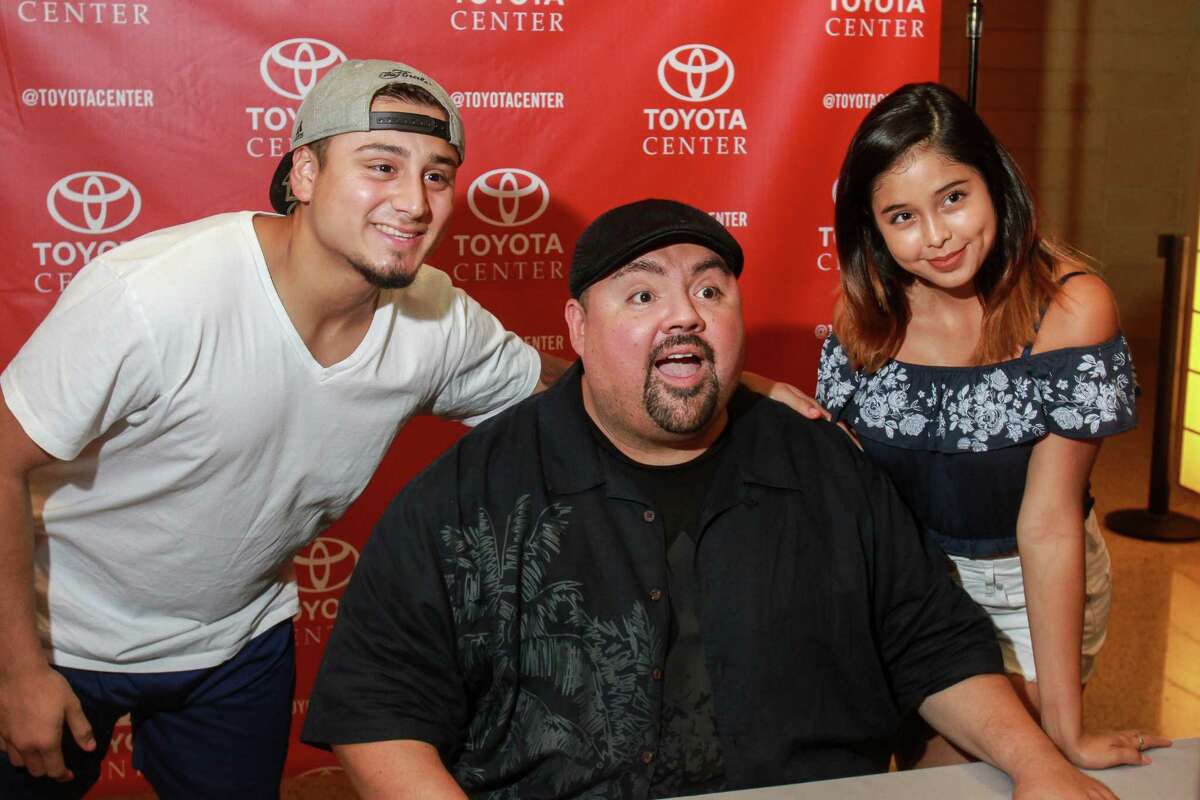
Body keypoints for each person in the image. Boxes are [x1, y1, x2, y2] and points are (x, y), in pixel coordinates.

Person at [302, 198, 1128, 799]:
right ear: (578, 330)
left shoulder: (827, 469)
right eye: (642, 294)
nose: (684, 318)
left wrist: (1037, 763)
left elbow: (934, 647)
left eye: (709, 291)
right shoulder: (465, 497)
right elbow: (380, 715)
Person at [0, 59, 557, 798]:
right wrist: (17, 672)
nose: (414, 202)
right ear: (303, 174)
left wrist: (714, 379)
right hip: (57, 635)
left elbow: (565, 400)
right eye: (381, 165)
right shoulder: (153, 298)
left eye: (436, 174)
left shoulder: (435, 318)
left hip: (238, 641)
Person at [816, 82, 1169, 770]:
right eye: (902, 216)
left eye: (954, 197)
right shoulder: (866, 315)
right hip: (905, 591)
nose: (938, 235)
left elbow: (1049, 522)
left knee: (964, 775)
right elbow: (852, 490)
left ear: (995, 184)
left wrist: (1066, 733)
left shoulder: (1070, 308)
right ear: (874, 229)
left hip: (1026, 594)